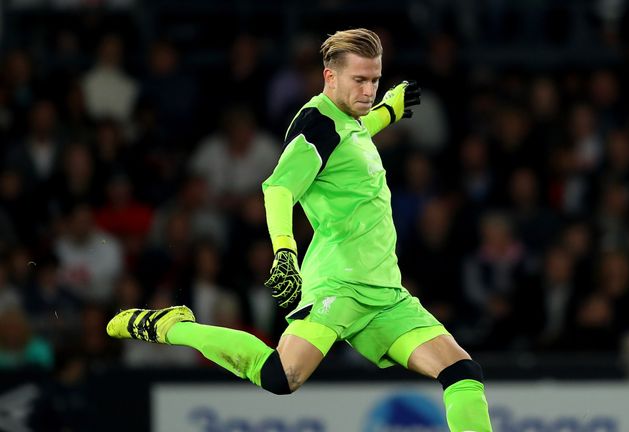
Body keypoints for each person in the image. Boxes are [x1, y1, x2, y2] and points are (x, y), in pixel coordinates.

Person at [106, 28, 492, 431]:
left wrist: (388, 111)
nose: (369, 90)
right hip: (338, 286)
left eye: (375, 79)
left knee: (463, 373)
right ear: (330, 77)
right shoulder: (316, 125)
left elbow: (353, 136)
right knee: (280, 376)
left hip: (385, 292)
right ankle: (175, 327)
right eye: (359, 80)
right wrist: (285, 252)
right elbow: (277, 188)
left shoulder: (348, 121)